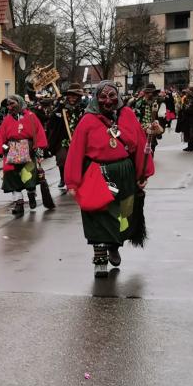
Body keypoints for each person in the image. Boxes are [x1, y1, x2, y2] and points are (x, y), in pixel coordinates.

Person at [63, 81, 153, 278]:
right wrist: (72, 182)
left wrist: (142, 174)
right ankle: (100, 259)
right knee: (98, 214)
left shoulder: (127, 115)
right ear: (96, 98)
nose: (108, 101)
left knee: (123, 213)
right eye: (103, 97)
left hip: (125, 173)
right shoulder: (87, 121)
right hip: (98, 173)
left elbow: (139, 144)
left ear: (118, 96)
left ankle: (114, 245)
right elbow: (76, 151)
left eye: (112, 96)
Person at [0, 94, 48, 216]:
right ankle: (19, 203)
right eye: (8, 104)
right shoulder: (7, 119)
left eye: (12, 103)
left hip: (28, 151)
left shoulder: (31, 117)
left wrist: (39, 147)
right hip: (11, 152)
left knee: (29, 178)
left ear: (20, 102)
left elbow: (39, 132)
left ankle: (31, 194)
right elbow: (1, 135)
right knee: (12, 179)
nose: (10, 107)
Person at [47, 84, 85, 190]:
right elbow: (51, 123)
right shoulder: (61, 109)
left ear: (78, 97)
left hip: (78, 140)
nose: (72, 98)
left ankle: (76, 179)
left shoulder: (82, 109)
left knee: (78, 160)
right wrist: (59, 108)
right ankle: (62, 178)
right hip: (62, 139)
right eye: (70, 96)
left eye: (75, 96)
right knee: (62, 159)